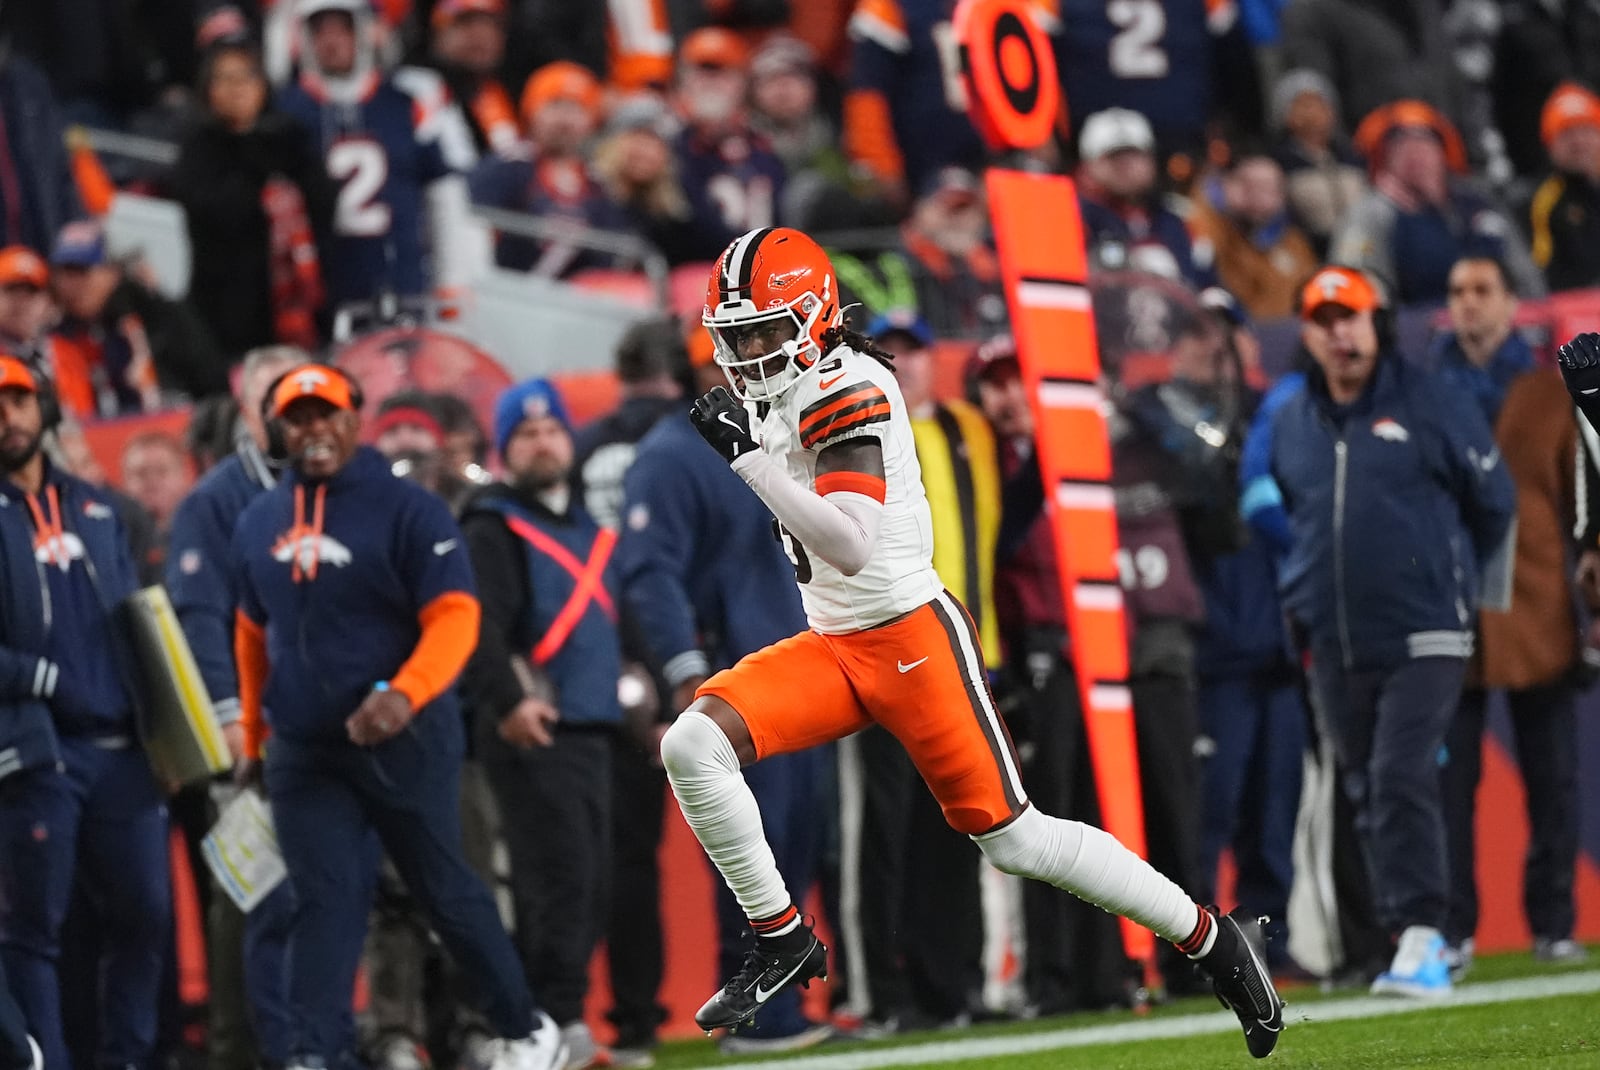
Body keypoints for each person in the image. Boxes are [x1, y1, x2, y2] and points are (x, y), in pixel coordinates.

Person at [661, 226, 1285, 1059]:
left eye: (767, 330)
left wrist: (750, 464)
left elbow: (849, 541)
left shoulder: (851, 385)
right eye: (738, 337)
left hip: (911, 640)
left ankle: (1211, 938)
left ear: (813, 319)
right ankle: (780, 937)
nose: (751, 352)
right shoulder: (785, 392)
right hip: (833, 644)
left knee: (1017, 839)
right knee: (693, 744)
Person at [229, 363, 565, 1069]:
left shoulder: (410, 509)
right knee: (322, 902)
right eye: (297, 418)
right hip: (304, 749)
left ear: (355, 418)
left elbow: (455, 618)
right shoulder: (259, 521)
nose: (313, 429)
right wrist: (257, 741)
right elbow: (251, 636)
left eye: (326, 414)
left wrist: (405, 693)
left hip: (405, 737)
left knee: (444, 890)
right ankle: (316, 1055)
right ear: (278, 430)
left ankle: (524, 1029)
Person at [1268, 266, 1516, 997]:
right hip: (1335, 639)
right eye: (1323, 319)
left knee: (1400, 774)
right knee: (1365, 789)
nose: (1338, 331)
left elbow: (1494, 503)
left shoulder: (1433, 400)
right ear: (1307, 331)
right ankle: (1410, 933)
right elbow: (1298, 512)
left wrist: (1453, 585)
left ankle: (1422, 935)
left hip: (1426, 628)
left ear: (1380, 322)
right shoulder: (1292, 420)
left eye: (1352, 316)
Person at [615, 330, 830, 1058]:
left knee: (801, 837)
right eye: (736, 350)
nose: (756, 361)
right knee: (753, 846)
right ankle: (755, 1018)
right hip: (738, 681)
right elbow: (648, 572)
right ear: (700, 364)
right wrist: (683, 671)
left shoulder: (784, 435)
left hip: (807, 668)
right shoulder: (672, 455)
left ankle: (784, 1013)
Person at [0, 354, 170, 1070]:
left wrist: (168, 727)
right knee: (37, 930)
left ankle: (125, 1060)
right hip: (37, 751)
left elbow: (139, 620)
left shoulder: (99, 509)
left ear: (44, 407)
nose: (6, 417)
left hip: (122, 749)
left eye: (16, 399)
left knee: (145, 918)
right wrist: (37, 676)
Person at [832, 311, 996, 1031]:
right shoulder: (849, 432)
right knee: (883, 833)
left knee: (962, 829)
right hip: (881, 659)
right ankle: (883, 994)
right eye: (890, 351)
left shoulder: (968, 432)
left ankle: (954, 987)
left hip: (959, 659)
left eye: (915, 351)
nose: (905, 362)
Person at [457, 379, 623, 1070]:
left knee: (590, 879)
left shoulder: (588, 524)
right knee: (554, 880)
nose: (543, 441)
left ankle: (559, 1019)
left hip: (594, 726)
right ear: (504, 451)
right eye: (525, 434)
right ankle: (545, 1025)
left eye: (552, 429)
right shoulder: (490, 524)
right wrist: (507, 702)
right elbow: (480, 627)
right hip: (534, 728)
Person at [165, 345, 303, 1070]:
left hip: (327, 734)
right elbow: (199, 618)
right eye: (274, 394)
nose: (292, 408)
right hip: (251, 736)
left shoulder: (332, 485)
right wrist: (229, 721)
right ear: (246, 408)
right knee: (249, 899)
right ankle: (237, 1054)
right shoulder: (213, 502)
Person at [277, 0, 477, 311]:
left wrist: (451, 279)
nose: (332, 42)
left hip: (401, 282)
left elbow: (444, 196)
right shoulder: (287, 111)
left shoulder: (404, 105)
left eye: (343, 29)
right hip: (318, 289)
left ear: (362, 32)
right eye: (320, 31)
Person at [165, 35, 331, 360]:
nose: (236, 88)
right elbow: (222, 212)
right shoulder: (199, 150)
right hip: (226, 311)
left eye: (245, 76)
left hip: (299, 309)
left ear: (262, 85)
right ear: (208, 90)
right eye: (225, 79)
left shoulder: (291, 138)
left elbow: (324, 204)